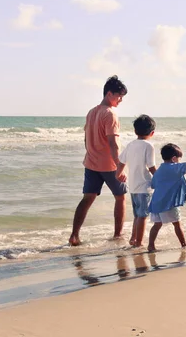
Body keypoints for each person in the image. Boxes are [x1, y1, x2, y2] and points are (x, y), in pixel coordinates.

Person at [69, 75, 129, 246]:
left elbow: (86, 138)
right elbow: (113, 143)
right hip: (108, 165)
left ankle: (74, 235)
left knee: (87, 198)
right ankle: (118, 235)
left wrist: (91, 153)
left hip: (91, 163)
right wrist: (120, 167)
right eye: (119, 96)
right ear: (109, 94)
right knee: (120, 197)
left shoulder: (91, 112)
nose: (121, 100)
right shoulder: (110, 114)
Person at [147, 143, 186, 252]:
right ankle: (183, 243)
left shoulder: (159, 170)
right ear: (174, 159)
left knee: (157, 225)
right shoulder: (173, 167)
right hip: (168, 203)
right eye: (179, 159)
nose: (179, 161)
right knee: (177, 224)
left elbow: (153, 185)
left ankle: (151, 245)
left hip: (156, 203)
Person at [115, 115, 157, 247]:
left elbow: (121, 161)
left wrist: (118, 174)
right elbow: (151, 167)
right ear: (152, 133)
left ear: (135, 131)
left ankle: (133, 238)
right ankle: (139, 242)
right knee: (143, 216)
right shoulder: (148, 146)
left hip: (133, 186)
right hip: (144, 186)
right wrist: (160, 179)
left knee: (137, 215)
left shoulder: (130, 145)